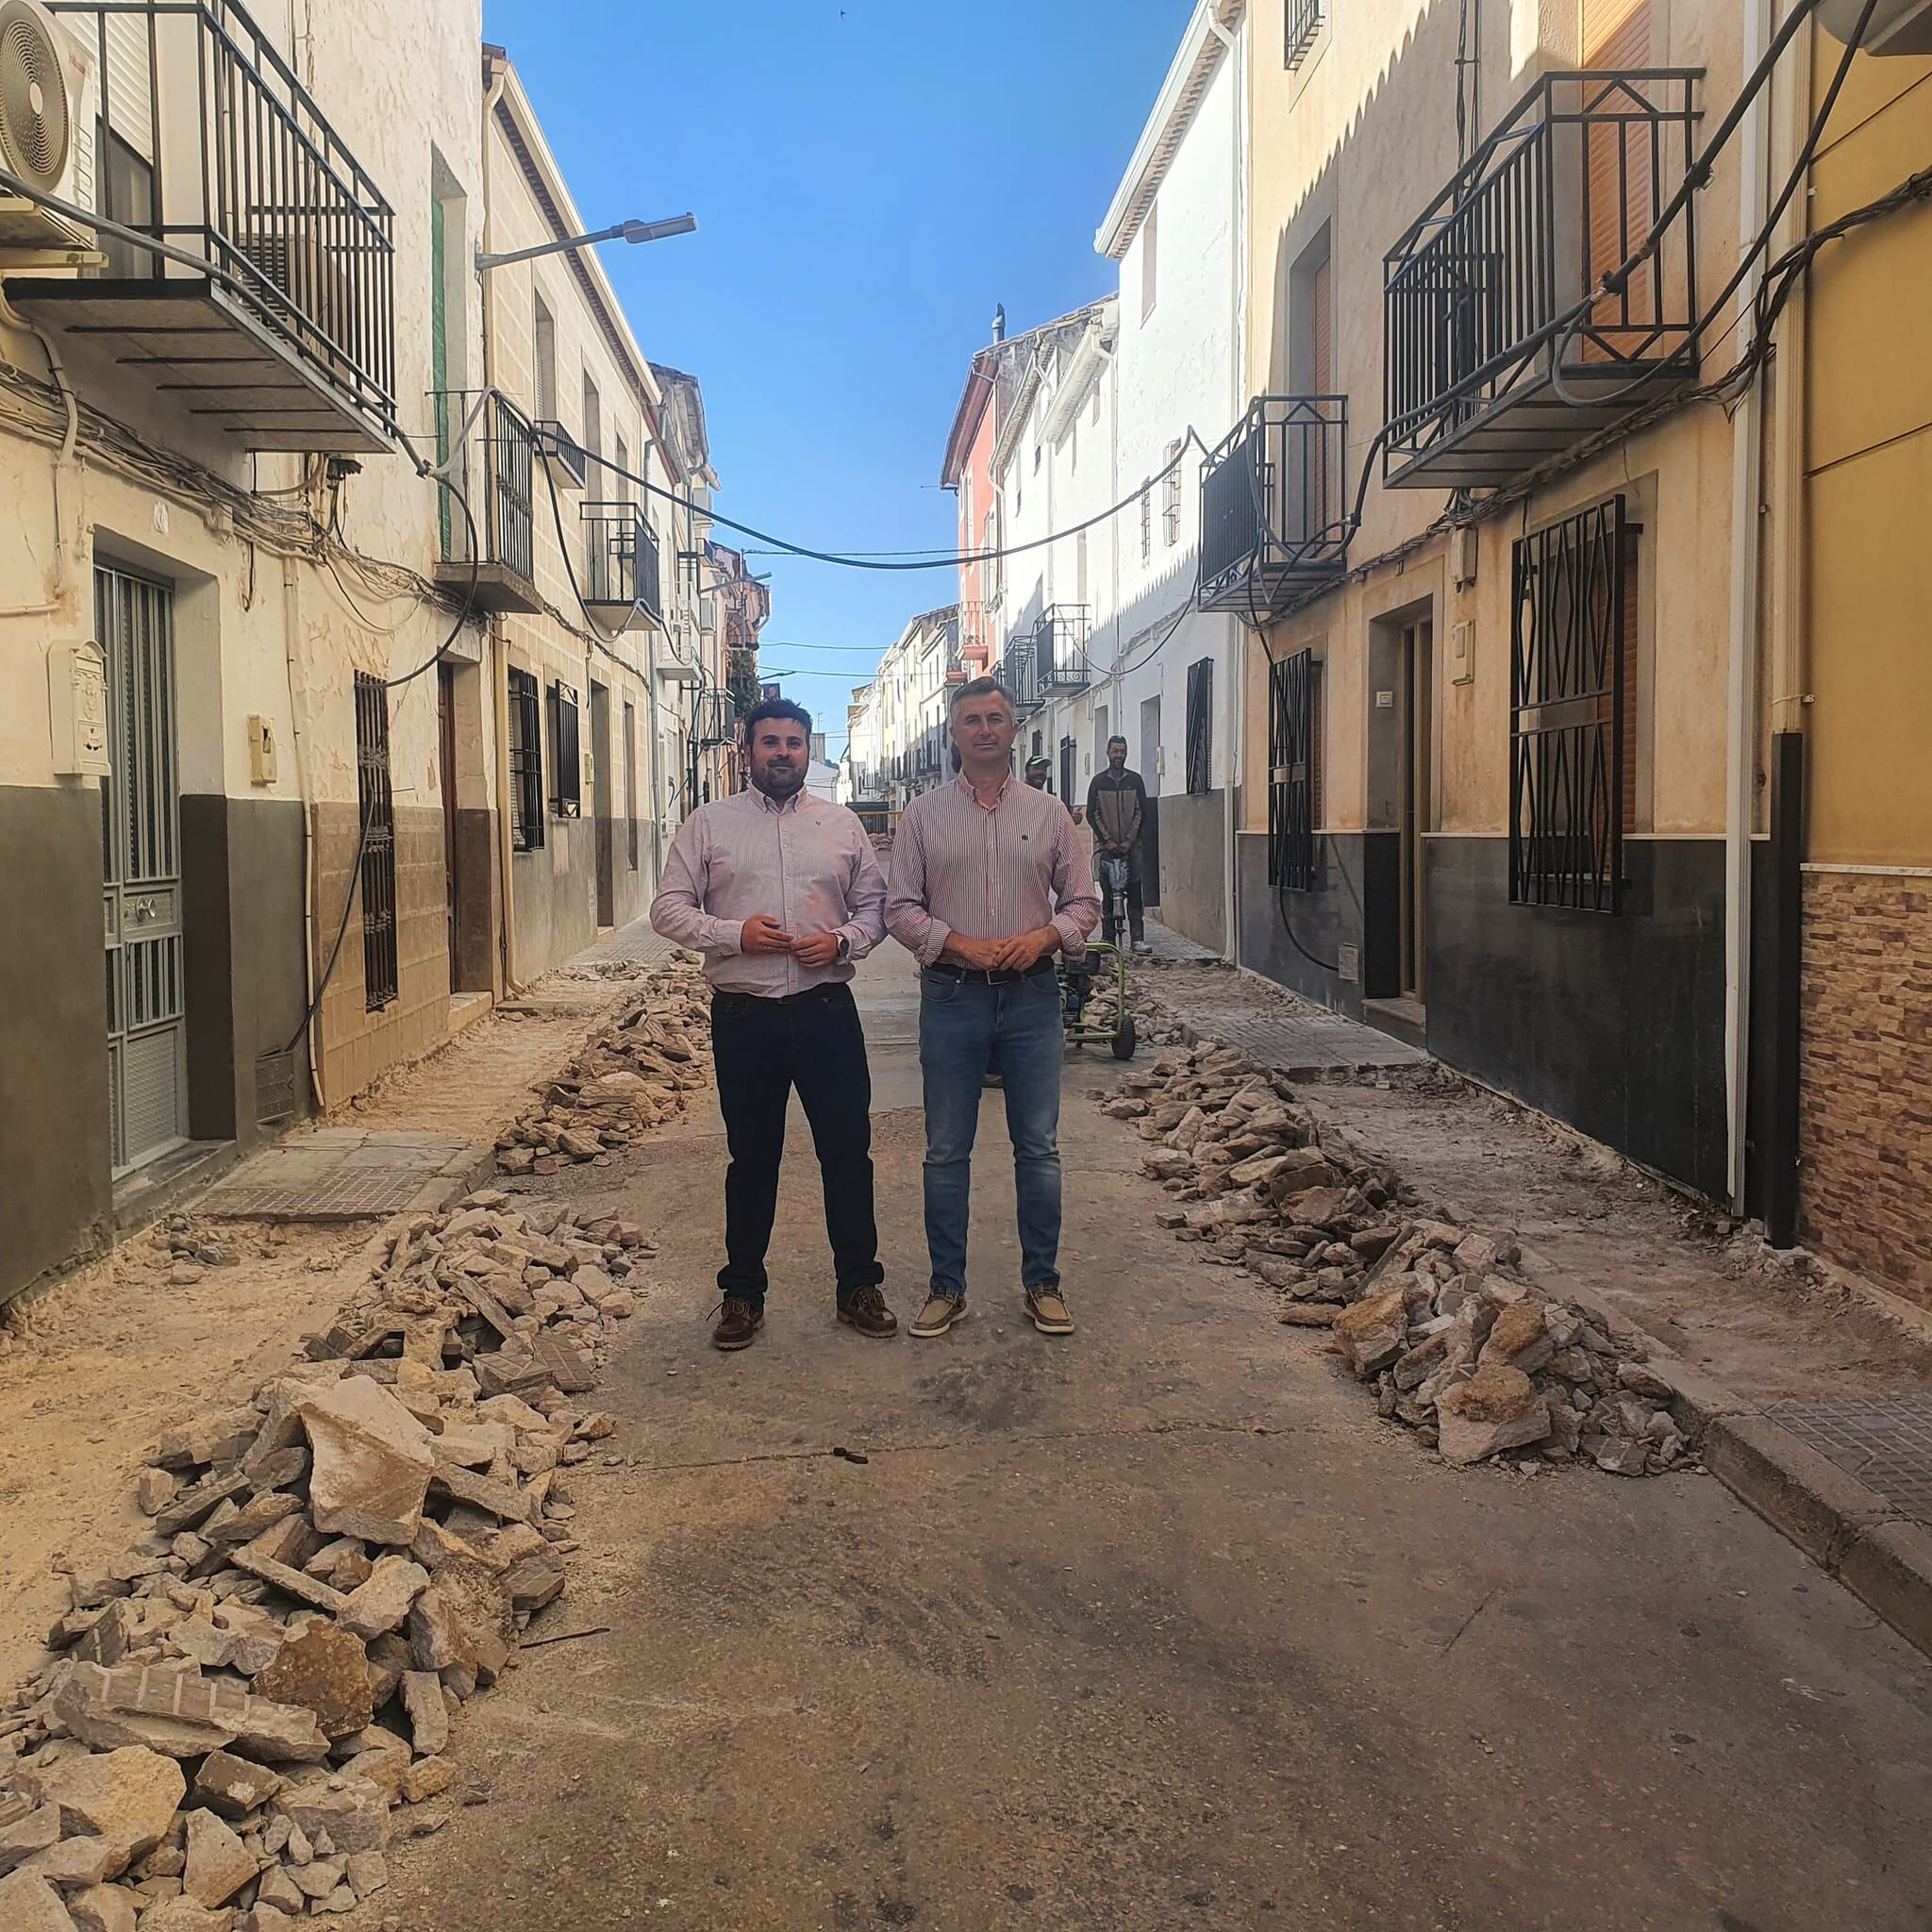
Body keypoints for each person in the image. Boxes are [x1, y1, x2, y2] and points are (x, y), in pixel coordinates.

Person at [649, 697, 896, 1351]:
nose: (782, 753)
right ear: (747, 750)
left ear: (808, 750)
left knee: (847, 1154)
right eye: (770, 742)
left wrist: (842, 943)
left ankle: (859, 1286)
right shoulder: (708, 825)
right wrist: (735, 935)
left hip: (825, 1017)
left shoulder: (843, 827)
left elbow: (876, 910)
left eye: (793, 742)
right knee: (751, 1159)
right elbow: (668, 910)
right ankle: (741, 1294)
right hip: (744, 1018)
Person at [885, 678, 1101, 1339]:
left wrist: (1042, 937)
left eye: (996, 719)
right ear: (954, 734)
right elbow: (899, 908)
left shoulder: (1050, 814)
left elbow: (1083, 905)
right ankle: (947, 1288)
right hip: (952, 999)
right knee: (947, 1151)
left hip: (1033, 999)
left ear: (1014, 732)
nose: (984, 729)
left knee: (1037, 1148)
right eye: (972, 720)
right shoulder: (922, 816)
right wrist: (957, 945)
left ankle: (1044, 1284)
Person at [1086, 735, 1150, 952]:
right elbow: (1092, 814)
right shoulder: (1098, 782)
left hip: (1132, 848)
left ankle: (1137, 939)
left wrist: (1130, 840)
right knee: (1107, 891)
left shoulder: (1135, 780)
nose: (1119, 756)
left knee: (1134, 890)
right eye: (1115, 751)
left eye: (1122, 751)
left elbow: (1142, 811)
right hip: (1106, 848)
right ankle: (1108, 939)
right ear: (1108, 753)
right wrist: (1108, 840)